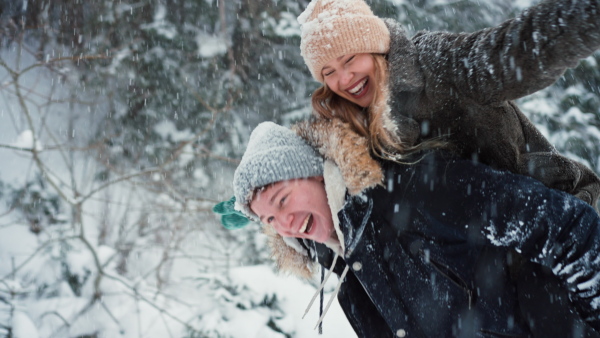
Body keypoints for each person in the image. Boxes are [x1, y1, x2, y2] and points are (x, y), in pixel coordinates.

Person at [220, 119, 600, 337]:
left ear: (318, 174)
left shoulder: (413, 191)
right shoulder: (350, 277)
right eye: (269, 221)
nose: (284, 223)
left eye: (283, 200)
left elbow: (563, 224)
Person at [297, 0, 600, 210]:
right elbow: (292, 177)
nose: (344, 78)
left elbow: (513, 52)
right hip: (487, 271)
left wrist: (585, 14)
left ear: (375, 47)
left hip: (561, 213)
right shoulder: (349, 131)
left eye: (350, 59)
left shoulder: (433, 64)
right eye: (328, 73)